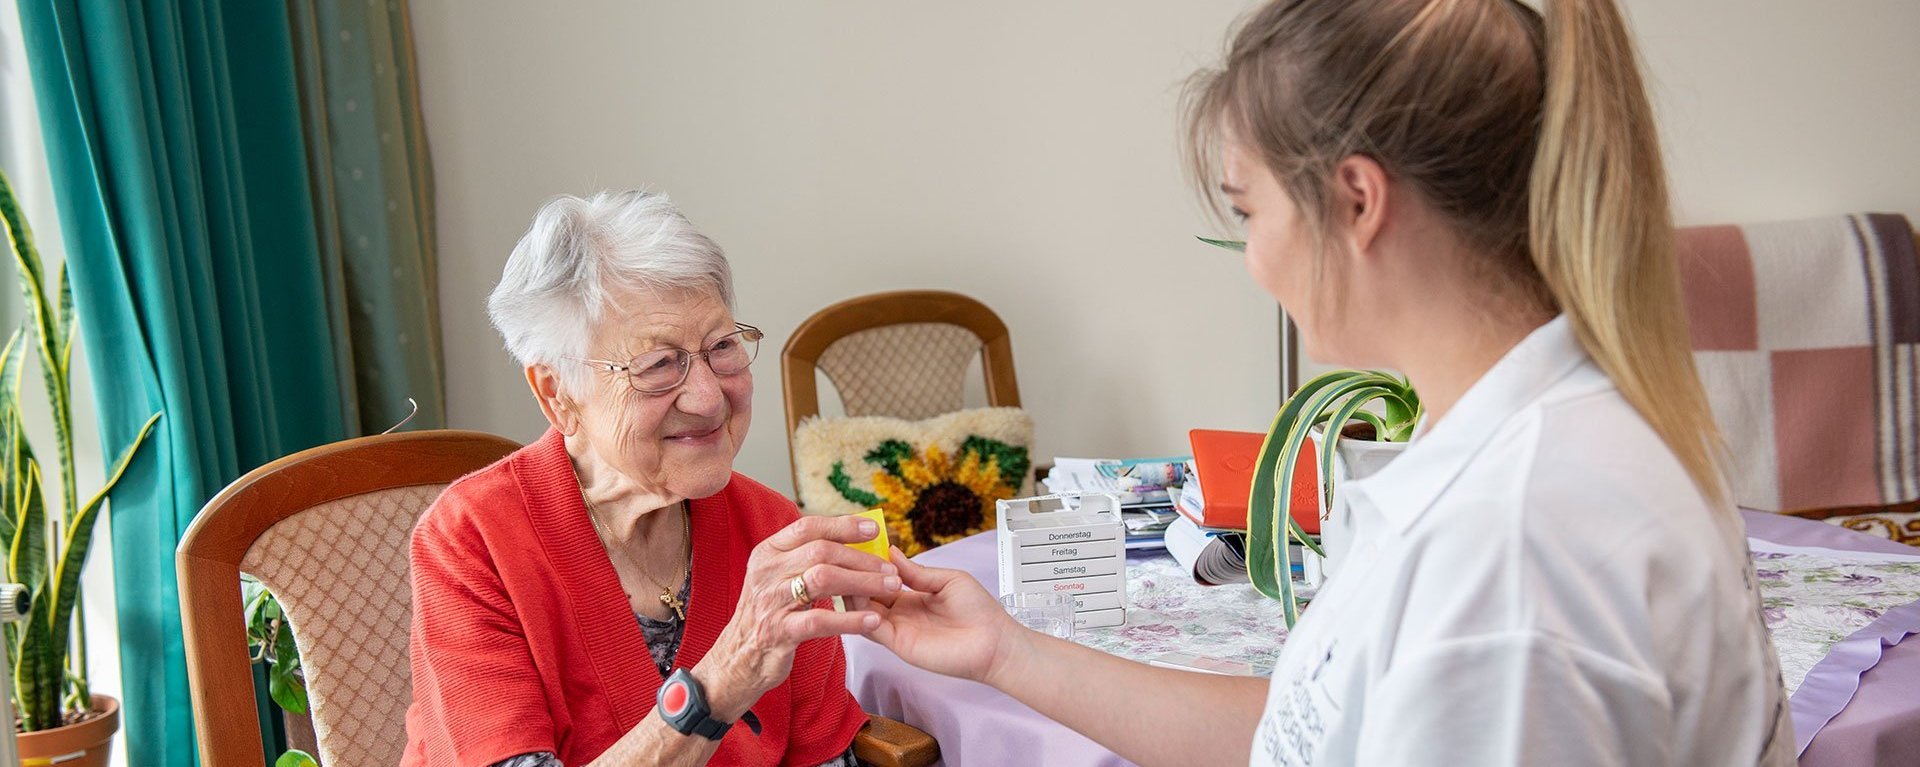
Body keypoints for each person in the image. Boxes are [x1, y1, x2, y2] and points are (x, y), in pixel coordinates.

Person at [861, 0, 1794, 764]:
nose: (1251, 257)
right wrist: (1006, 652)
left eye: (1248, 208)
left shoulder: (1509, 558)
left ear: (1355, 201)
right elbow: (1320, 732)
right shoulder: (1507, 441)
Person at [401, 190, 902, 767]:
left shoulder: (770, 531)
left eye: (721, 347)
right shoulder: (473, 540)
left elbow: (824, 757)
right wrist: (721, 684)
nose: (709, 396)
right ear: (557, 393)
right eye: (659, 365)